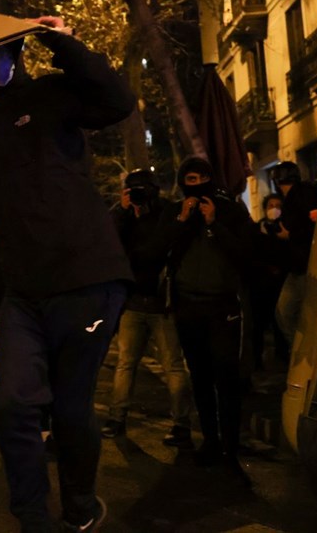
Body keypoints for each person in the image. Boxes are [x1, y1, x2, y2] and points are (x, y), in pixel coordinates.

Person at [0, 16, 135, 531]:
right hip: (23, 293)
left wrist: (59, 41)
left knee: (70, 409)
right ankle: (33, 518)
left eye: (3, 53)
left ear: (18, 58)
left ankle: (80, 506)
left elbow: (117, 101)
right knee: (12, 408)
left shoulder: (51, 96)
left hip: (85, 279)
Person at [153, 157, 253, 485]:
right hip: (188, 307)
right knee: (200, 377)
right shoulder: (174, 212)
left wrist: (213, 224)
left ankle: (230, 449)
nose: (196, 185)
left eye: (201, 178)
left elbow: (247, 253)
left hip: (222, 307)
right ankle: (210, 441)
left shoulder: (231, 210)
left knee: (227, 378)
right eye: (190, 179)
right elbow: (156, 250)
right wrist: (182, 221)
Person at [102, 169, 193, 449]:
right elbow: (108, 242)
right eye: (133, 190)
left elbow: (160, 247)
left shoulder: (166, 213)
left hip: (161, 302)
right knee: (126, 363)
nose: (139, 195)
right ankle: (117, 418)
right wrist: (123, 211)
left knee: (173, 365)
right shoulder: (125, 215)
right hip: (133, 302)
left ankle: (181, 425)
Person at [269, 161, 317, 350]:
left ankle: (304, 353)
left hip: (304, 266)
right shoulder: (302, 194)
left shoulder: (299, 195)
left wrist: (290, 235)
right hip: (301, 265)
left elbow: (313, 226)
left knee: (286, 312)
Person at [247, 193, 291, 368]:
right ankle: (256, 358)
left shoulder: (286, 230)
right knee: (258, 322)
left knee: (279, 321)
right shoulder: (257, 229)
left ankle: (282, 356)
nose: (274, 209)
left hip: (279, 283)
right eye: (271, 206)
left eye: (278, 206)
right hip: (260, 283)